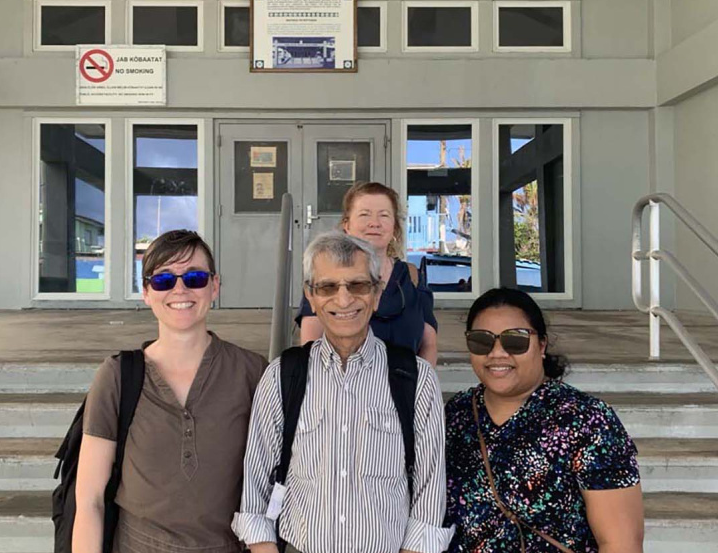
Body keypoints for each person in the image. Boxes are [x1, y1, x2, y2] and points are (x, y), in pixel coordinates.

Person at [233, 231, 453, 553]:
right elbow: (256, 483)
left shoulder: (416, 379)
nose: (344, 299)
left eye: (358, 285)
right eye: (327, 287)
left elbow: (429, 490)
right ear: (311, 296)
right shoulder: (283, 375)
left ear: (377, 293)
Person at [73, 230, 267, 553]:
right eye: (163, 280)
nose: (180, 289)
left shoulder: (252, 372)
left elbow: (271, 489)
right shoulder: (118, 377)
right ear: (146, 293)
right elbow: (90, 500)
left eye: (195, 278)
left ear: (214, 286)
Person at [444, 288, 644, 553]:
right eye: (482, 341)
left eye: (515, 340)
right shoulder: (457, 414)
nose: (497, 353)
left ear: (542, 345)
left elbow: (621, 543)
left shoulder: (587, 420)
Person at [296, 182, 439, 365]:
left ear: (395, 227)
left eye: (384, 215)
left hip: (406, 382)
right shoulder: (326, 279)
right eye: (364, 214)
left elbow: (429, 345)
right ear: (346, 225)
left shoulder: (412, 278)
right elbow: (310, 347)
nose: (374, 223)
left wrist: (421, 382)